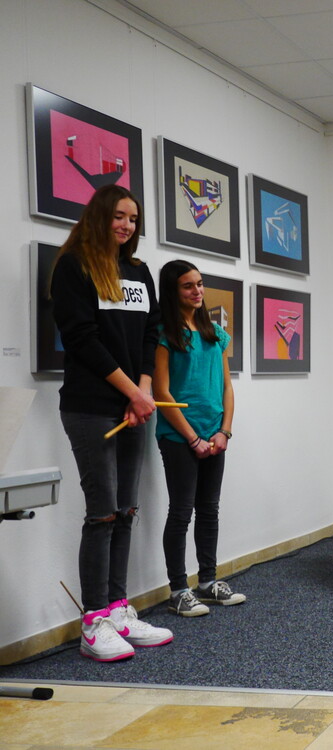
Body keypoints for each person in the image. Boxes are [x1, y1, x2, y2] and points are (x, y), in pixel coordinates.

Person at [50, 184, 173, 662]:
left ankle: (120, 611)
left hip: (133, 405)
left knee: (126, 510)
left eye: (134, 219)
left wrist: (142, 389)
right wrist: (133, 393)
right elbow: (82, 339)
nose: (127, 225)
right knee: (101, 513)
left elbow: (150, 334)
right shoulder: (74, 266)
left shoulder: (138, 271)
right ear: (100, 216)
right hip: (91, 407)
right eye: (119, 216)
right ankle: (94, 621)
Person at [153, 260, 245, 617]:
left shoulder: (214, 333)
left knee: (209, 509)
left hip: (214, 434)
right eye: (188, 286)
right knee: (181, 512)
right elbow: (161, 392)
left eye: (200, 284)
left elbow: (226, 387)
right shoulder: (165, 333)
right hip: (179, 437)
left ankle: (207, 582)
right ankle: (179, 590)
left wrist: (224, 431)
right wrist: (193, 438)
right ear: (172, 291)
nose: (197, 291)